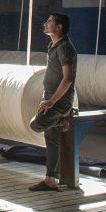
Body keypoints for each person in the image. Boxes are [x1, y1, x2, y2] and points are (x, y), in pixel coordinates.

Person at [28, 13, 77, 192]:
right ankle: (50, 179)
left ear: (59, 27)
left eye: (50, 21)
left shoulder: (65, 48)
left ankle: (62, 118)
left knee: (36, 124)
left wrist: (51, 101)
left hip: (59, 102)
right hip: (50, 97)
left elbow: (68, 79)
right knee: (52, 141)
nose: (46, 23)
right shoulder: (53, 45)